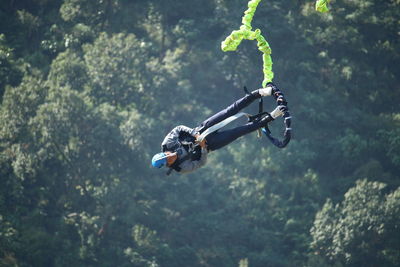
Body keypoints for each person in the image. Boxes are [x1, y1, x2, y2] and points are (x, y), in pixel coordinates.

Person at [151, 82, 288, 174]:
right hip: (211, 144)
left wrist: (195, 134)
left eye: (167, 155)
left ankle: (259, 93)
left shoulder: (167, 143)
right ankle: (273, 115)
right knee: (239, 131)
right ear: (168, 165)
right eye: (168, 159)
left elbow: (178, 128)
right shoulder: (181, 167)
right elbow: (200, 163)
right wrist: (203, 148)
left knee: (229, 111)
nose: (170, 156)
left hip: (202, 130)